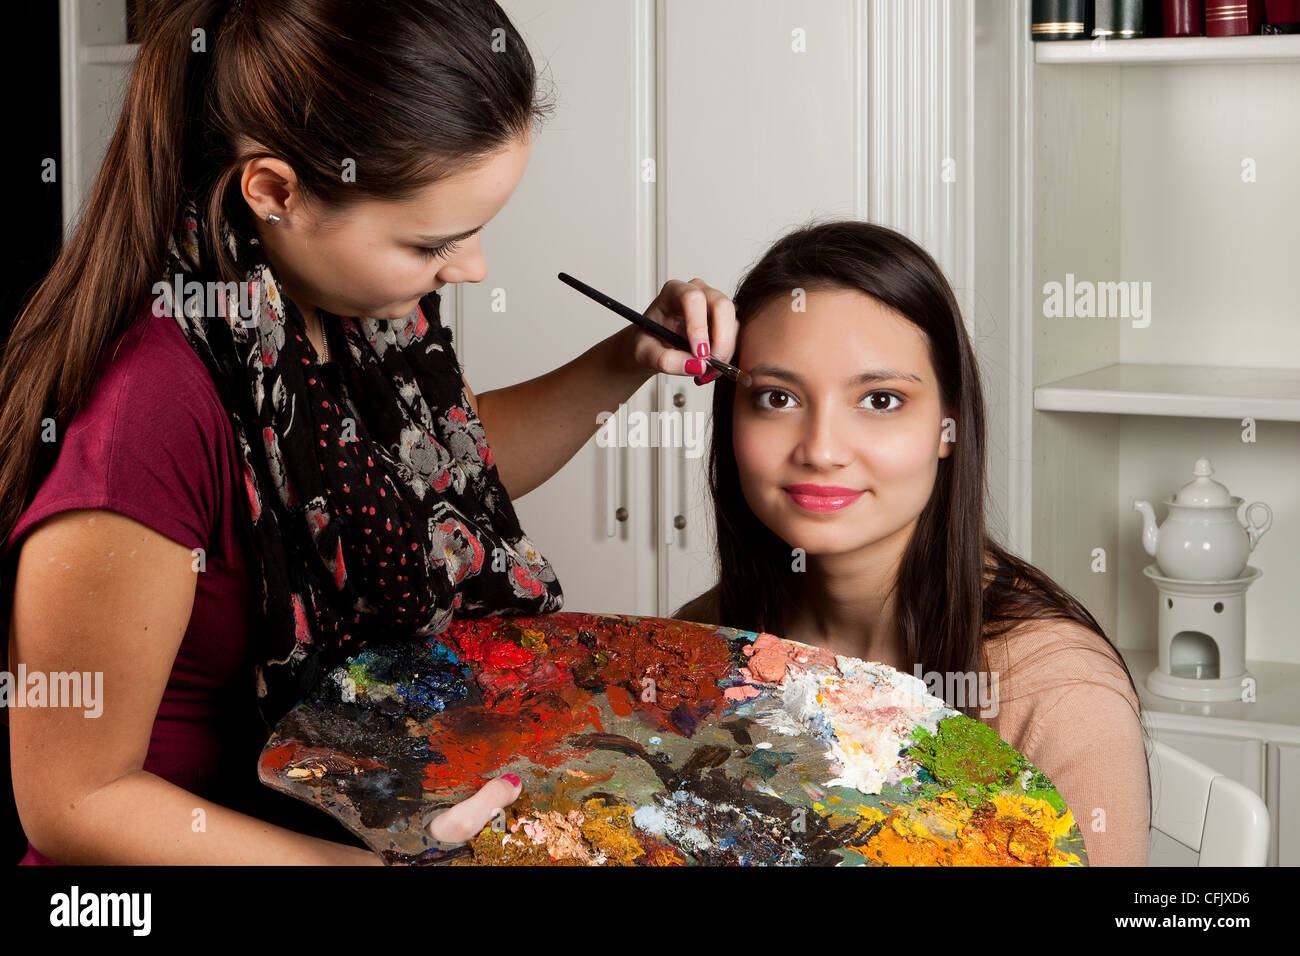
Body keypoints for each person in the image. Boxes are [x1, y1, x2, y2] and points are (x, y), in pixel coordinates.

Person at [0, 0, 736, 865]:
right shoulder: (147, 410)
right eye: (434, 243)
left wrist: (626, 357)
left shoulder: (338, 304)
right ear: (273, 191)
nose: (470, 270)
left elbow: (446, 474)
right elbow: (73, 800)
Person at [674, 219, 1152, 866]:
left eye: (879, 400)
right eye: (778, 397)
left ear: (949, 423)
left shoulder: (1060, 699)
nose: (820, 449)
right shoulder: (703, 639)